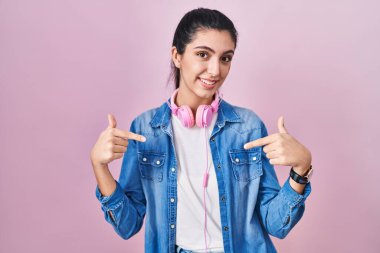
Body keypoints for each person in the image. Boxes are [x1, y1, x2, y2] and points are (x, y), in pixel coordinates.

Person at [90, 8, 312, 253]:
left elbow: (276, 224)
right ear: (177, 55)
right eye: (203, 54)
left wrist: (300, 170)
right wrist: (99, 166)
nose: (216, 70)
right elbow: (127, 225)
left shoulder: (248, 127)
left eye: (225, 58)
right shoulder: (145, 130)